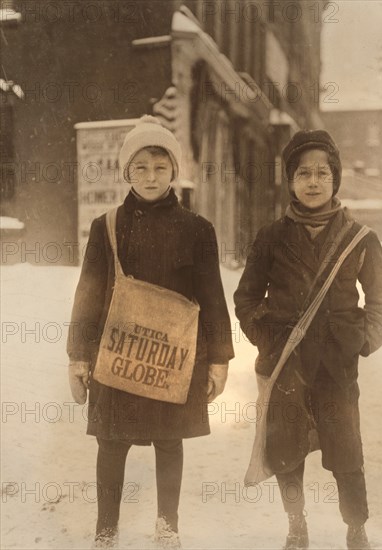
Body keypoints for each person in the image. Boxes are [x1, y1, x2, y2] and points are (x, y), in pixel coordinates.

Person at [67, 115, 234, 549]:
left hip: (173, 357)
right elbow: (88, 293)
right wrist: (78, 357)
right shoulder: (106, 227)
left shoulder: (197, 230)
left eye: (160, 167)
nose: (150, 176)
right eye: (140, 167)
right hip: (116, 350)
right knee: (111, 442)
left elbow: (212, 297)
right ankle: (106, 531)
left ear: (174, 172)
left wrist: (218, 359)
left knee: (169, 441)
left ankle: (167, 525)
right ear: (126, 172)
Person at [234, 130, 382, 550]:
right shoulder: (270, 237)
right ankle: (296, 525)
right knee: (286, 450)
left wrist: (362, 340)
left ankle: (356, 527)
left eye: (322, 172)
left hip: (336, 365)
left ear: (335, 179)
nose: (312, 181)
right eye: (303, 173)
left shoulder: (359, 238)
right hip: (285, 362)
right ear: (290, 181)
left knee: (347, 452)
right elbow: (247, 297)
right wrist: (266, 337)